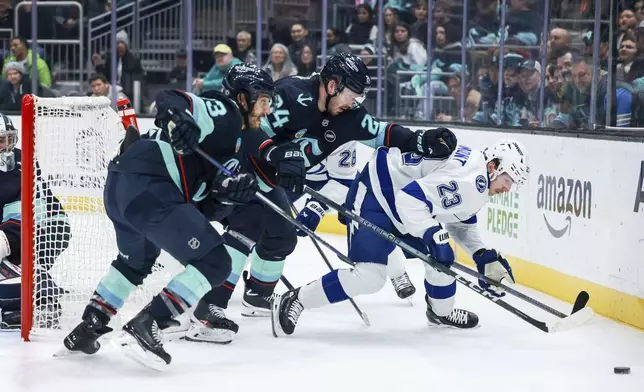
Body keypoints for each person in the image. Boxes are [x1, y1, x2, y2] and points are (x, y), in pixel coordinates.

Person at [185, 53, 459, 344]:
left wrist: (418, 140)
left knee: (282, 235)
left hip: (268, 181)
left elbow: (381, 133)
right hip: (235, 168)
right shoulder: (289, 96)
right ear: (332, 85)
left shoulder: (348, 115)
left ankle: (257, 294)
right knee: (247, 226)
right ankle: (209, 304)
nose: (355, 102)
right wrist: (278, 153)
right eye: (353, 93)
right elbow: (248, 129)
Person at [61, 65, 305, 368]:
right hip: (149, 185)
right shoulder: (227, 113)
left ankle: (90, 325)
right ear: (244, 98)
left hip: (121, 189)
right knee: (215, 262)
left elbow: (203, 198)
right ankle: (150, 322)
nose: (266, 111)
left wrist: (228, 195)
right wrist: (180, 118)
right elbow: (171, 98)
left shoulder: (235, 144)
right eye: (263, 101)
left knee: (134, 263)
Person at [271, 140, 529, 336]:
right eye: (508, 179)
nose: (508, 188)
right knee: (370, 277)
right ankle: (295, 299)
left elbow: (458, 218)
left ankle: (441, 312)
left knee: (440, 256)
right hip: (375, 193)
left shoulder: (478, 175)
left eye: (514, 184)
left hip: (398, 197)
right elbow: (410, 200)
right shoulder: (471, 181)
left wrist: (480, 253)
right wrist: (432, 234)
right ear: (493, 166)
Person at [0, 114, 71, 329]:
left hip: (38, 226)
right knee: (20, 261)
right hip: (41, 226)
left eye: (6, 138)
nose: (5, 145)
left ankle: (27, 301)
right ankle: (42, 293)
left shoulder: (15, 164)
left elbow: (24, 208)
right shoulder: (20, 159)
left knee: (17, 260)